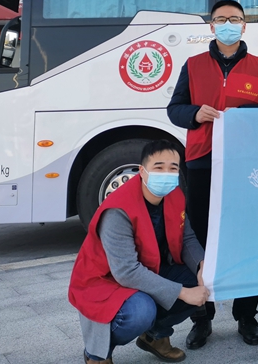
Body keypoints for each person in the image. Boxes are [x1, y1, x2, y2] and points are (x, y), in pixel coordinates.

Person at [166, 0, 258, 349]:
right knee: (199, 240)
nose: (228, 24)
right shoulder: (193, 65)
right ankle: (201, 318)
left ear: (244, 26)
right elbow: (175, 109)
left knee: (247, 236)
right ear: (212, 26)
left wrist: (248, 116)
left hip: (246, 164)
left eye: (235, 19)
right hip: (202, 162)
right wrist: (195, 114)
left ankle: (247, 316)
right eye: (221, 19)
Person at [68, 140, 209, 364]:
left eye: (173, 168)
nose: (166, 174)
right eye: (159, 167)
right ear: (142, 171)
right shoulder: (118, 209)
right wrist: (182, 293)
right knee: (141, 311)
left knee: (201, 280)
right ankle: (97, 354)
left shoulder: (174, 196)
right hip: (106, 279)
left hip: (149, 268)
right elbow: (126, 271)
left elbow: (187, 238)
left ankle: (155, 337)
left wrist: (202, 265)